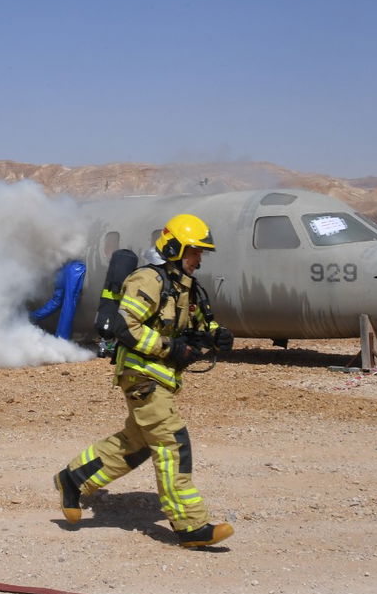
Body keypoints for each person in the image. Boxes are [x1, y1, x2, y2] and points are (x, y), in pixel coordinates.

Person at [53, 213, 235, 548]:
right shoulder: (148, 281)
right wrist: (170, 348)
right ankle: (190, 526)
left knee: (135, 445)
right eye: (195, 252)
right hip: (141, 375)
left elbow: (194, 323)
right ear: (176, 249)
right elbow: (127, 326)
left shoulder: (187, 287)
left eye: (200, 253)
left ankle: (73, 479)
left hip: (160, 374)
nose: (199, 259)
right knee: (171, 442)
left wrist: (216, 335)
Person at [30, 260, 87, 339]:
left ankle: (31, 317)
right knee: (69, 302)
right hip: (75, 268)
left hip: (62, 267)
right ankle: (62, 338)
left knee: (56, 300)